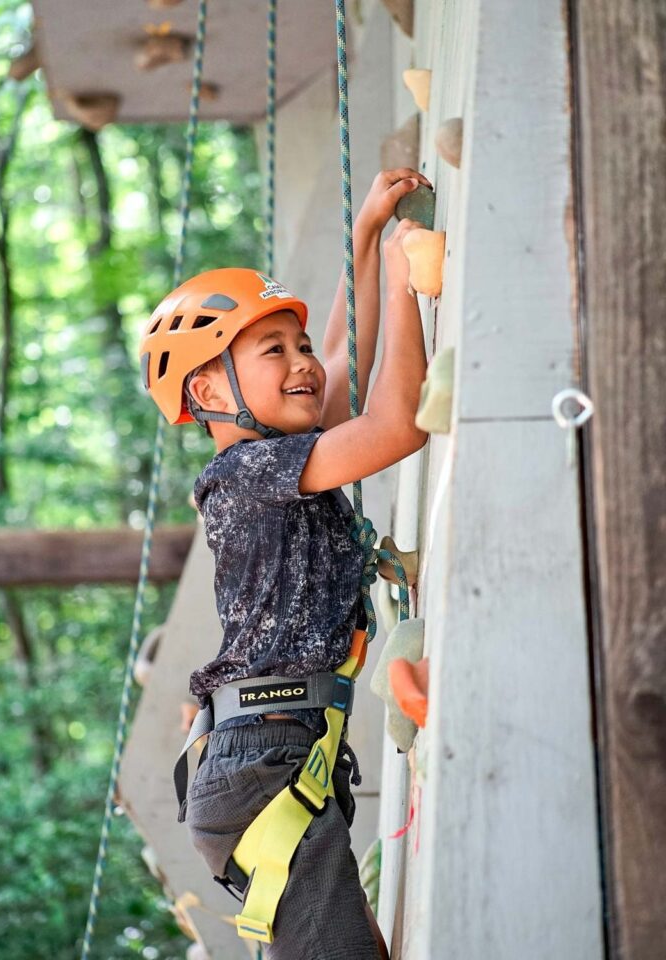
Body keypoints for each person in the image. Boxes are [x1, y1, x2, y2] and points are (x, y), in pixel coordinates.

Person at [139, 168, 431, 960]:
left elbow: (342, 352)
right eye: (273, 350)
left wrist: (368, 237)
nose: (301, 361)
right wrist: (407, 279)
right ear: (207, 388)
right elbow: (396, 425)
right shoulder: (244, 474)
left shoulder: (273, 454)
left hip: (273, 753)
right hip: (265, 762)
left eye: (293, 344)